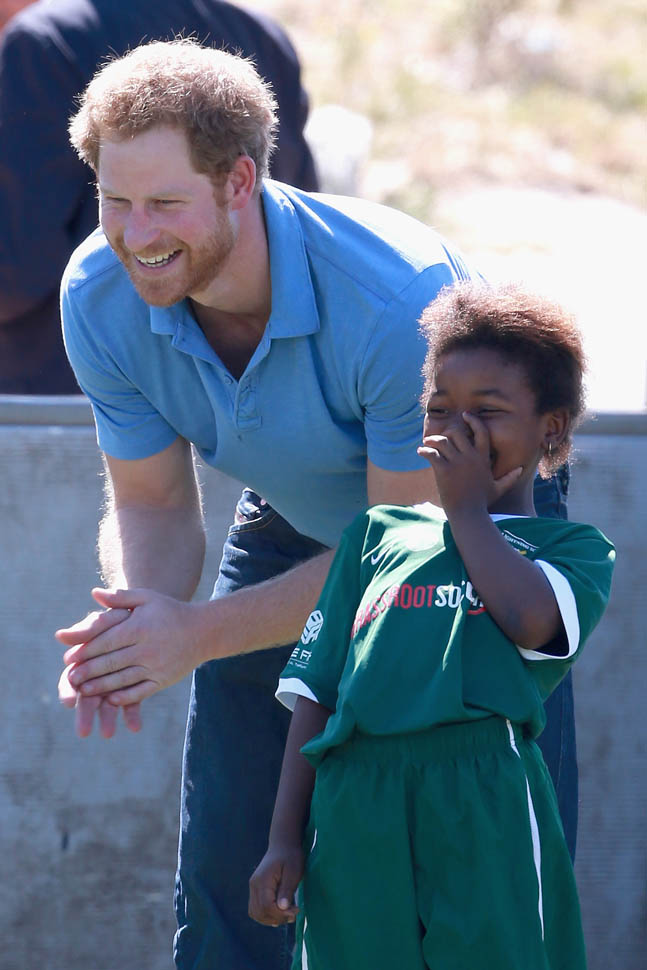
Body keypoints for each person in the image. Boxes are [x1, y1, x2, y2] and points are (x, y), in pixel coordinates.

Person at [53, 39, 573, 970]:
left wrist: (199, 632)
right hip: (297, 525)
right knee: (233, 869)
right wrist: (142, 622)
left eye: (164, 203)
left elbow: (406, 547)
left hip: (466, 546)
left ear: (240, 181)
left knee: (480, 893)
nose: (133, 234)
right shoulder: (99, 293)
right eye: (114, 200)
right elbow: (153, 502)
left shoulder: (399, 302)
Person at [249, 281, 615, 970]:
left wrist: (468, 510)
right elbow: (316, 693)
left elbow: (532, 625)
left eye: (488, 412)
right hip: (357, 798)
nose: (457, 430)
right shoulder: (375, 536)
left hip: (480, 794)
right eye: (439, 409)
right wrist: (284, 838)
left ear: (551, 430)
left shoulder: (570, 550)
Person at [0, 0, 317, 393]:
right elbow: (297, 216)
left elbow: (15, 268)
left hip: (74, 402)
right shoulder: (262, 34)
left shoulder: (41, 44)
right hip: (257, 388)